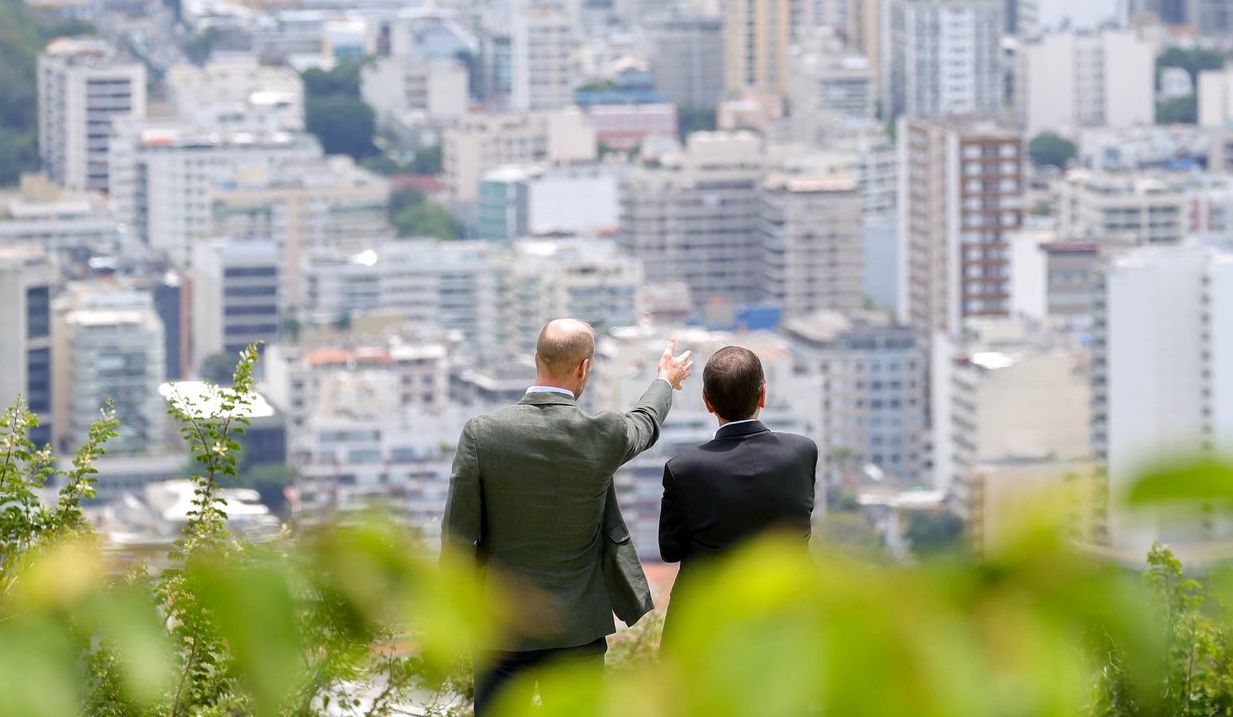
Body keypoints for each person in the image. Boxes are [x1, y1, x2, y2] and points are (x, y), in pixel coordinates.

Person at [442, 319, 693, 715]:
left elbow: (457, 538)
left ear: (535, 359)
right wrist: (665, 379)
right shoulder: (602, 433)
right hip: (578, 628)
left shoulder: (482, 435)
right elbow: (645, 422)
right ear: (584, 367)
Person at [658, 346, 817, 639]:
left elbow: (670, 550)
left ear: (707, 402)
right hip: (789, 620)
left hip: (708, 626)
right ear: (763, 395)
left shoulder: (684, 469)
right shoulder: (802, 452)